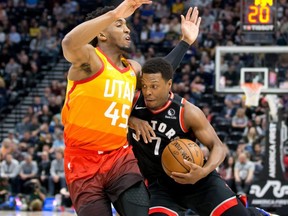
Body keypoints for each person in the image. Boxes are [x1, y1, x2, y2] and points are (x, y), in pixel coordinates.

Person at [61, 0, 201, 215]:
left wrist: (185, 42)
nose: (127, 28)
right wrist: (114, 13)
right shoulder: (90, 59)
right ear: (102, 34)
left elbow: (158, 75)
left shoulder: (132, 68)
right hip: (82, 162)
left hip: (119, 158)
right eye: (119, 25)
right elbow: (69, 43)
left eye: (125, 24)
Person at [128, 58, 274, 216]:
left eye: (154, 86)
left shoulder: (187, 112)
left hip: (200, 181)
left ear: (169, 84)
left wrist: (203, 172)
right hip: (161, 186)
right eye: (144, 86)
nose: (148, 92)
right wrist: (129, 119)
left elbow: (218, 146)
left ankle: (254, 213)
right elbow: (103, 112)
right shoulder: (132, 104)